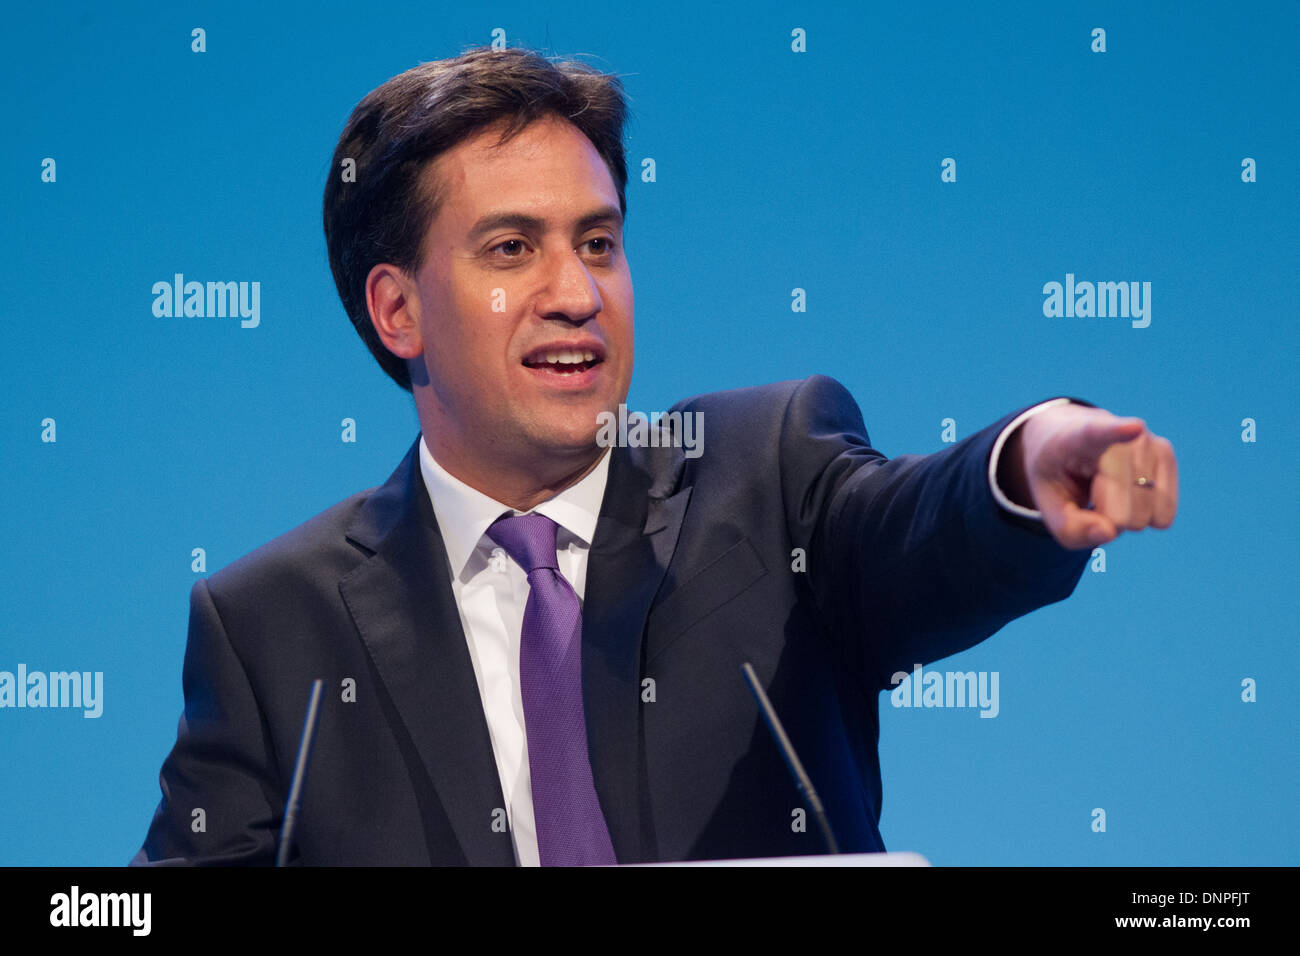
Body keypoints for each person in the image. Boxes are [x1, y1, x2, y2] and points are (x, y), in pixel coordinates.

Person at [131, 46, 1178, 866]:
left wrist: (1021, 467)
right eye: (512, 247)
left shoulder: (766, 476)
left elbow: (924, 527)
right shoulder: (272, 624)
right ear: (398, 309)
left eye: (597, 241)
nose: (577, 291)